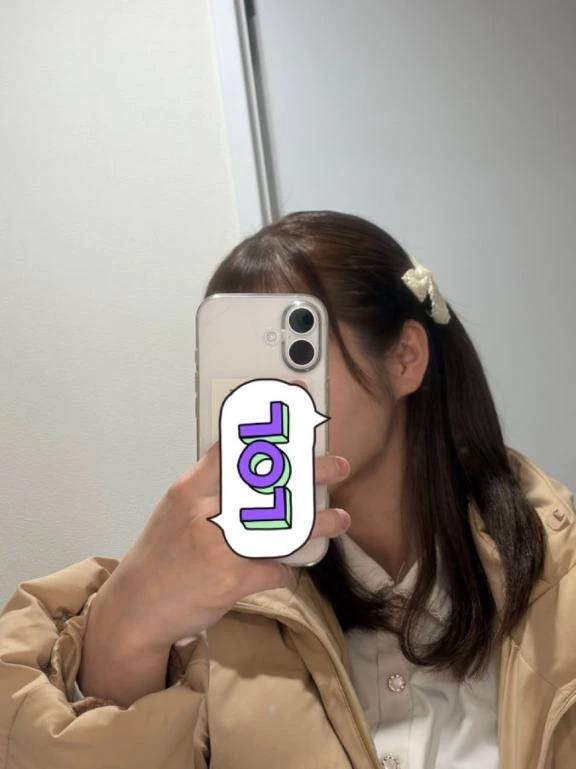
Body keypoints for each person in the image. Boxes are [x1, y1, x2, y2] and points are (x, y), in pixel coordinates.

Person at [1, 210, 575, 769]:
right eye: (242, 365)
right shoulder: (209, 615)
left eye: (297, 352)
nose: (263, 396)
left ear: (405, 358)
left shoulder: (560, 583)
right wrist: (128, 624)